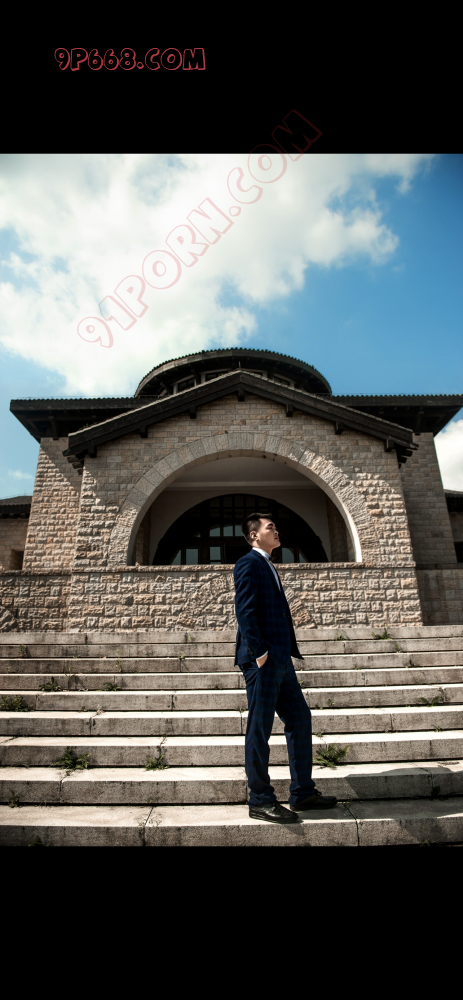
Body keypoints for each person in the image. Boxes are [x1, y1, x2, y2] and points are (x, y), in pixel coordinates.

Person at [234, 512, 338, 824]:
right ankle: (260, 800)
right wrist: (260, 653)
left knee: (299, 718)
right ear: (254, 535)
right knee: (260, 726)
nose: (276, 531)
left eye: (276, 527)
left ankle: (302, 792)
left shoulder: (268, 564)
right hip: (263, 660)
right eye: (271, 527)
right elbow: (245, 611)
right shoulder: (248, 563)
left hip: (281, 658)